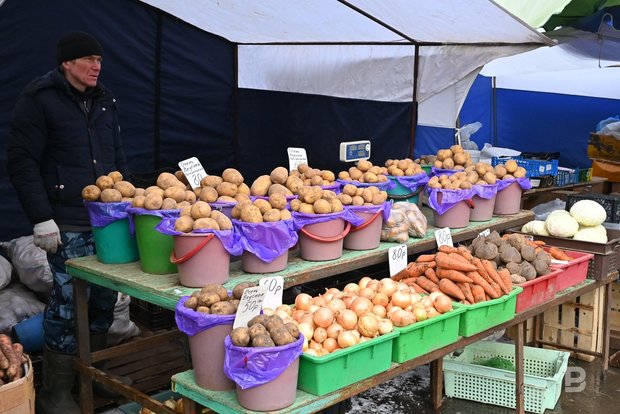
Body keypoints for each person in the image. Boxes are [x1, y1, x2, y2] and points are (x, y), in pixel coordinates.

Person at [7, 31, 130, 414]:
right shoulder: (40, 99)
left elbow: (117, 156)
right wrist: (41, 218)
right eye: (89, 59)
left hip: (106, 219)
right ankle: (56, 391)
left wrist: (128, 201)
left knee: (105, 297)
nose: (96, 66)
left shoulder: (105, 99)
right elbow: (22, 162)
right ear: (67, 63)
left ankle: (93, 372)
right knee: (66, 302)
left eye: (100, 60)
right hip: (66, 220)